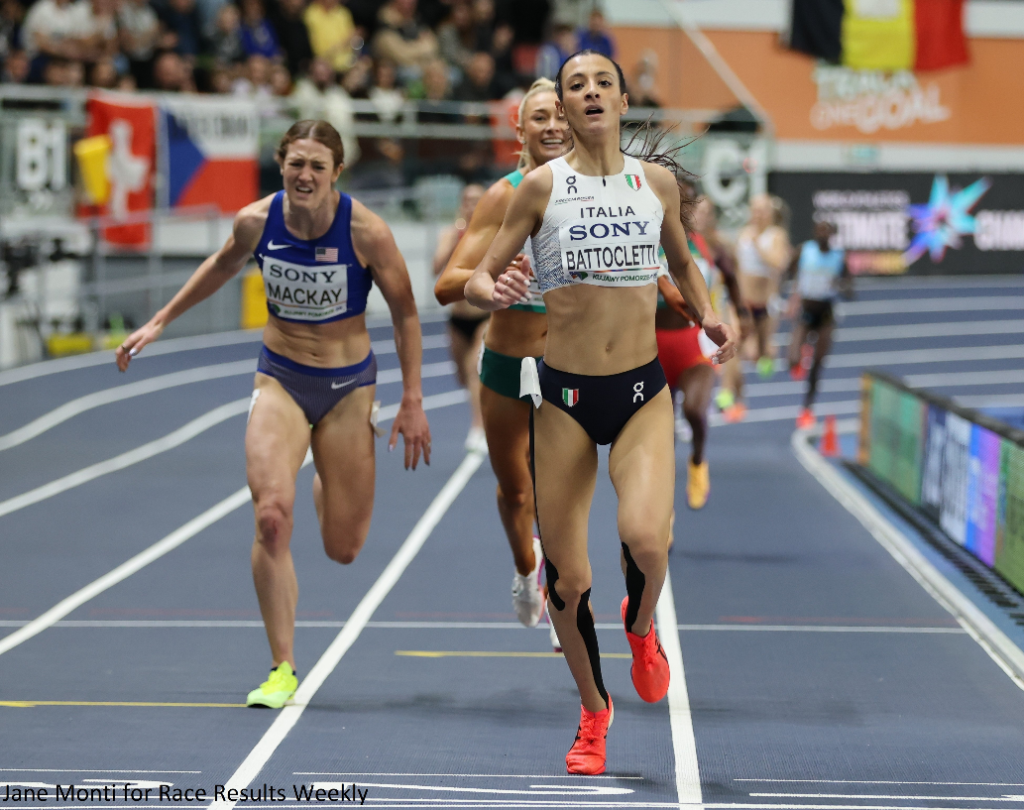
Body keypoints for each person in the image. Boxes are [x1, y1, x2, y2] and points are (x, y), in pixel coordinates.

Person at [464, 52, 736, 775]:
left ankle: (640, 629)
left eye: (602, 83)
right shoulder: (540, 187)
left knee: (647, 541)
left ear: (621, 102)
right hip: (563, 400)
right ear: (565, 105)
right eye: (575, 85)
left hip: (641, 392)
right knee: (567, 579)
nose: (589, 93)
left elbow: (683, 263)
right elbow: (479, 274)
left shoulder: (656, 185)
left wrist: (709, 316)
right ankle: (593, 712)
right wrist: (493, 287)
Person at [114, 120, 431, 710]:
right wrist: (159, 321)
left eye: (317, 166)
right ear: (281, 165)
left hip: (347, 389)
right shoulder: (256, 221)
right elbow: (221, 263)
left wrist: (412, 399)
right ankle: (282, 666)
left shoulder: (367, 232)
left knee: (344, 547)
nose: (304, 175)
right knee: (270, 517)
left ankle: (324, 480)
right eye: (295, 164)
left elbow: (407, 313)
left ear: (337, 172)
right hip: (281, 379)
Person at [434, 78, 567, 646]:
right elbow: (448, 284)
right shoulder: (501, 196)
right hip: (509, 362)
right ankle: (524, 568)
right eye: (539, 117)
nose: (553, 126)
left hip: (570, 365)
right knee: (515, 490)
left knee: (560, 491)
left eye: (560, 114)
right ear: (520, 130)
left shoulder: (603, 193)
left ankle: (566, 597)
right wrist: (490, 285)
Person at [655, 196, 746, 510]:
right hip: (653, 343)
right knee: (662, 428)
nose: (694, 215)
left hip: (694, 341)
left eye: (700, 210)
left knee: (695, 410)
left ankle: (697, 461)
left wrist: (742, 318)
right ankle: (663, 502)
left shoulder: (713, 248)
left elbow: (732, 281)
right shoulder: (650, 238)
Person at [720, 193, 790, 421]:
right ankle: (728, 394)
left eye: (763, 210)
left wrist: (758, 245)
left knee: (760, 355)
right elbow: (735, 265)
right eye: (755, 210)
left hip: (766, 305)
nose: (758, 214)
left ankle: (765, 353)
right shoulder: (743, 234)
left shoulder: (776, 235)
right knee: (734, 346)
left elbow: (778, 263)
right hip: (743, 304)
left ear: (770, 214)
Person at [432, 183, 490, 451]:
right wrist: (455, 241)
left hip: (484, 316)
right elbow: (436, 268)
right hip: (457, 319)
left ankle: (478, 428)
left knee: (473, 368)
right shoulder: (450, 233)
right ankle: (485, 409)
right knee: (462, 378)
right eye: (467, 200)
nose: (472, 205)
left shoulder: (492, 234)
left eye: (477, 200)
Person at [786, 220, 850, 429]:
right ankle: (802, 353)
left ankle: (807, 408)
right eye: (819, 230)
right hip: (806, 310)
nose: (822, 234)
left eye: (826, 231)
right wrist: (788, 295)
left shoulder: (839, 257)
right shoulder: (804, 250)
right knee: (792, 360)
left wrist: (840, 285)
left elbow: (851, 290)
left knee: (818, 364)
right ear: (814, 232)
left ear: (832, 234)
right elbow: (787, 271)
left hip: (826, 314)